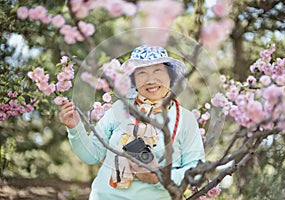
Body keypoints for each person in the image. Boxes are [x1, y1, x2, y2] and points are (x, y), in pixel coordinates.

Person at [59, 45, 205, 200]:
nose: (150, 80)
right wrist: (75, 128)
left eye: (157, 71)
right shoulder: (119, 109)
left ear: (171, 76)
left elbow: (195, 170)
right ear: (133, 80)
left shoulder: (185, 118)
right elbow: (91, 156)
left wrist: (159, 177)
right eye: (142, 73)